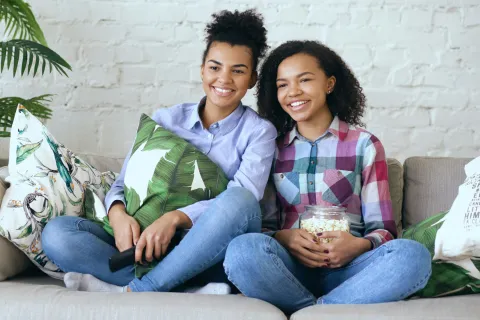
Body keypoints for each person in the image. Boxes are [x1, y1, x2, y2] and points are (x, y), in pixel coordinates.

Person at [42, 9, 276, 294]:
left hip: (209, 248)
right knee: (57, 234)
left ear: (252, 78)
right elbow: (124, 183)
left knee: (239, 200)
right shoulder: (166, 119)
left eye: (237, 71)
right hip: (144, 243)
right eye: (215, 67)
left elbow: (244, 200)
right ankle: (180, 284)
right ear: (202, 69)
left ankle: (143, 289)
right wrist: (118, 215)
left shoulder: (259, 132)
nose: (224, 79)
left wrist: (174, 218)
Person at [223, 40, 431, 313]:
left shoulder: (364, 145)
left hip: (354, 271)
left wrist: (358, 245)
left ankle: (316, 312)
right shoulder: (271, 149)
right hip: (289, 270)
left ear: (329, 84)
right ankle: (330, 311)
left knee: (412, 255)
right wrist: (285, 238)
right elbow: (263, 227)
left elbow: (385, 230)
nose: (293, 92)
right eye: (282, 84)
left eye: (305, 80)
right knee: (241, 249)